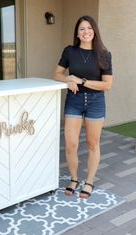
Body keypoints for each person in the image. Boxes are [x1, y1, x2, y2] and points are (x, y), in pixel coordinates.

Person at [53, 15, 113, 199]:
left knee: (92, 144)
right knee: (71, 145)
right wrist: (68, 79)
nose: (85, 31)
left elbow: (107, 85)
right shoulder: (69, 51)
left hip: (95, 102)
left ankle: (89, 181)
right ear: (77, 33)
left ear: (94, 31)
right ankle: (74, 179)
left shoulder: (104, 54)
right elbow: (56, 74)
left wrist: (81, 80)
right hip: (74, 101)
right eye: (81, 29)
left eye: (89, 28)